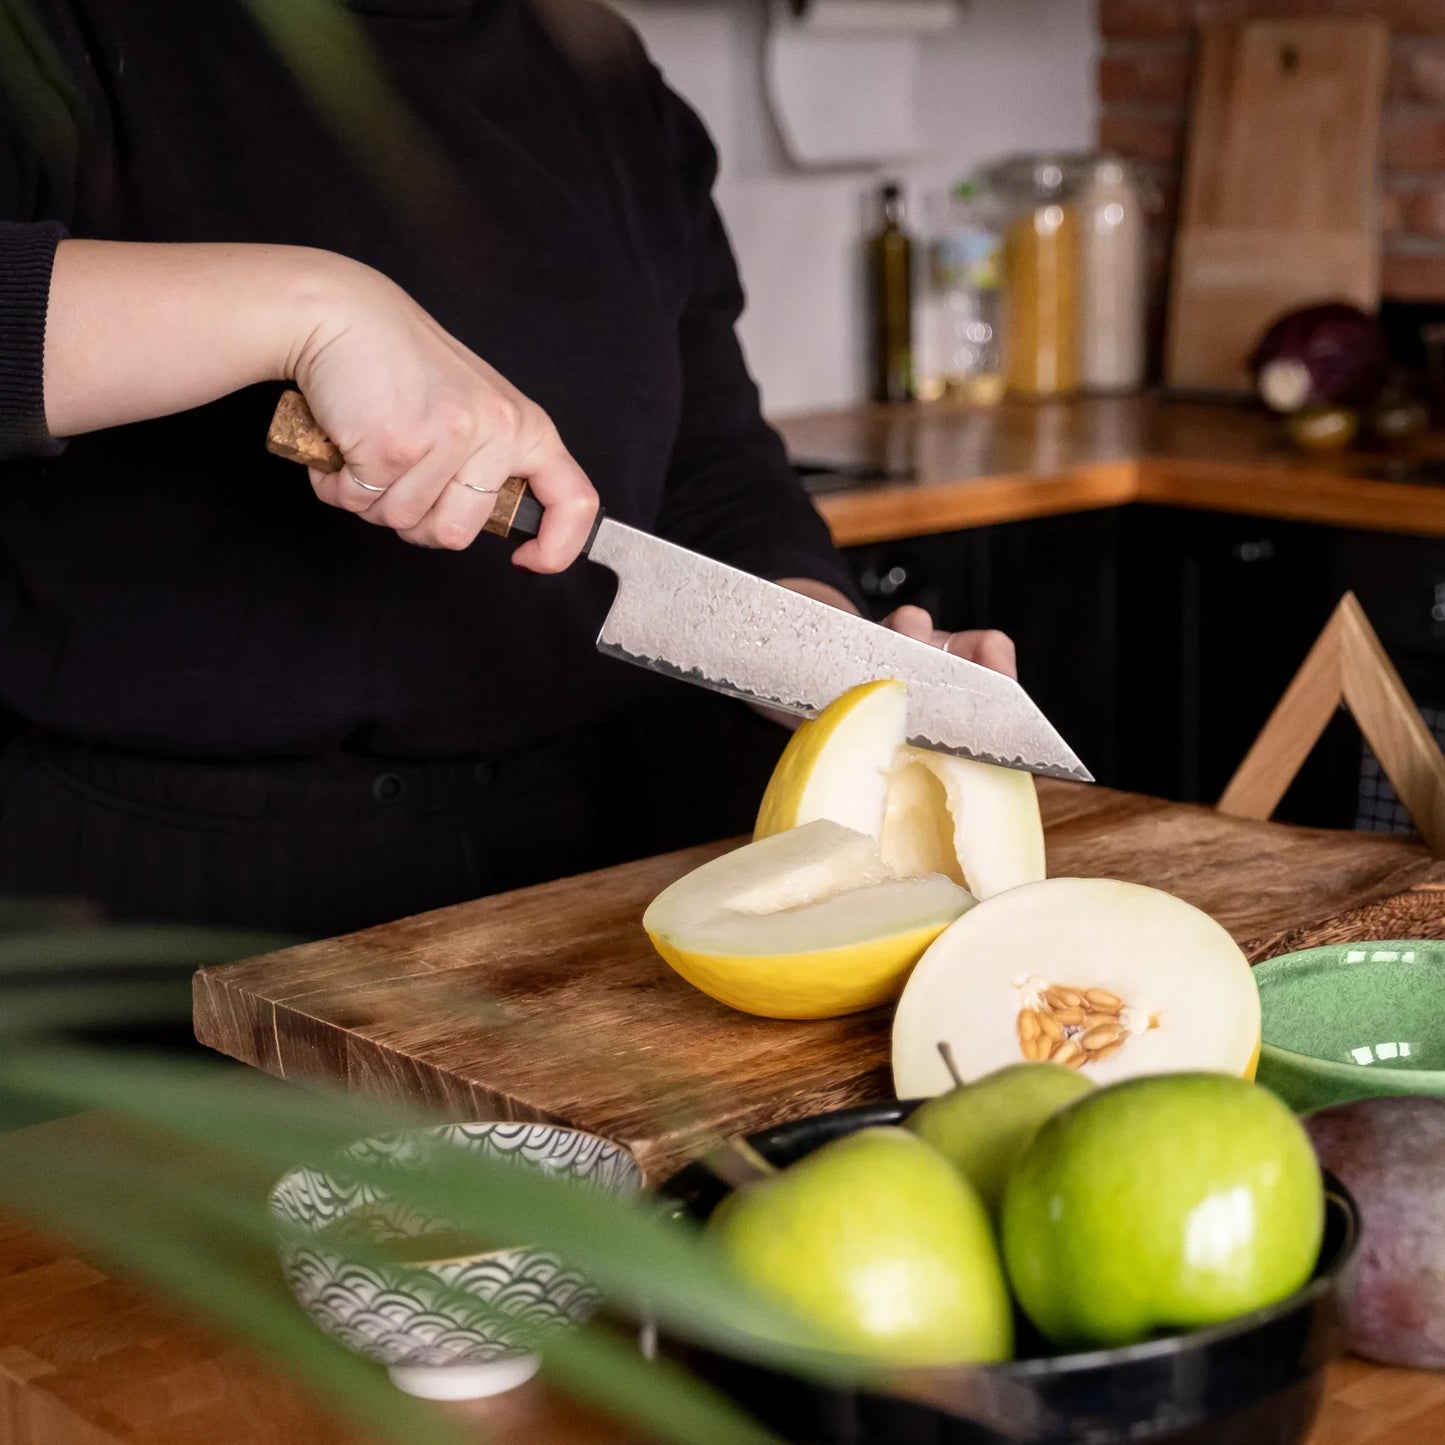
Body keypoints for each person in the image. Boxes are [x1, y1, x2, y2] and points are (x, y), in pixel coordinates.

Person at [0, 0, 1014, 939]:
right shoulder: (61, 29)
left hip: (579, 870)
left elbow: (712, 470)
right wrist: (308, 306)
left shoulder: (601, 72)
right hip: (145, 905)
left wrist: (826, 663)